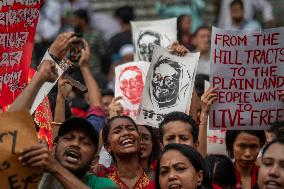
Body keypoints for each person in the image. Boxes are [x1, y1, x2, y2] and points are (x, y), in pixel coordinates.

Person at [102, 115, 152, 188]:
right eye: (117, 131)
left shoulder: (158, 178)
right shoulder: (104, 183)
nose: (126, 133)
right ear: (108, 147)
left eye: (131, 129)